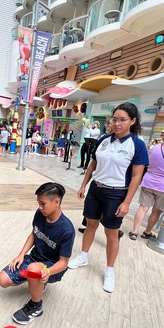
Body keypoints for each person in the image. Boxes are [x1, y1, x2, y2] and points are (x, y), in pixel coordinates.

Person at [68, 102, 149, 293]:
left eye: (123, 120)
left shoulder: (137, 145)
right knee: (90, 225)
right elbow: (93, 164)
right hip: (96, 190)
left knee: (111, 234)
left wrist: (127, 202)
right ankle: (83, 256)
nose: (117, 123)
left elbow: (137, 176)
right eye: (115, 119)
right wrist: (83, 186)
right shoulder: (104, 139)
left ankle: (110, 271)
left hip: (117, 193)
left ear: (132, 121)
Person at [0, 182, 75, 324]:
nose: (40, 207)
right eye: (39, 203)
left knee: (33, 270)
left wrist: (47, 271)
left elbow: (64, 262)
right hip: (34, 258)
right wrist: (21, 255)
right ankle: (36, 282)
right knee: (2, 280)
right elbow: (34, 234)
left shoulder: (67, 230)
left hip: (52, 267)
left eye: (43, 204)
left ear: (56, 202)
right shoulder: (40, 214)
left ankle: (36, 305)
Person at [129, 127, 164, 240]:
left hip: (148, 181)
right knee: (156, 211)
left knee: (143, 208)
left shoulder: (156, 147)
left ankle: (134, 232)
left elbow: (147, 162)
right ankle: (147, 232)